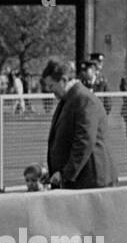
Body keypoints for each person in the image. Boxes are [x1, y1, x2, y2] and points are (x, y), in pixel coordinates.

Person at [42, 57, 116, 190]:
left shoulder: (84, 100)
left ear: (64, 80)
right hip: (81, 181)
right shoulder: (70, 100)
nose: (49, 90)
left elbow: (84, 142)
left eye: (51, 85)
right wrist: (54, 172)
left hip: (92, 182)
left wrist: (65, 175)